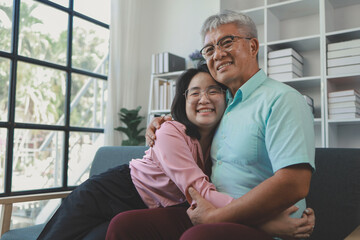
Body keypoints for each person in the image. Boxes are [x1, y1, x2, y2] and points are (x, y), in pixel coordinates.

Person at [139, 10, 315, 239]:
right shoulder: (224, 105)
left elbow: (294, 184)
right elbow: (191, 129)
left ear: (253, 47)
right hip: (215, 214)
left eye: (227, 42)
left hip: (265, 222)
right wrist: (162, 121)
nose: (217, 54)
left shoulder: (282, 100)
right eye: (209, 49)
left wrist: (215, 218)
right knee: (127, 225)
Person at [38, 66, 238, 240]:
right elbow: (199, 191)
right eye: (194, 93)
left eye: (213, 91)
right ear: (183, 103)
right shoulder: (169, 131)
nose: (204, 99)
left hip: (138, 211)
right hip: (108, 193)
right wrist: (251, 210)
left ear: (226, 97)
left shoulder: (220, 142)